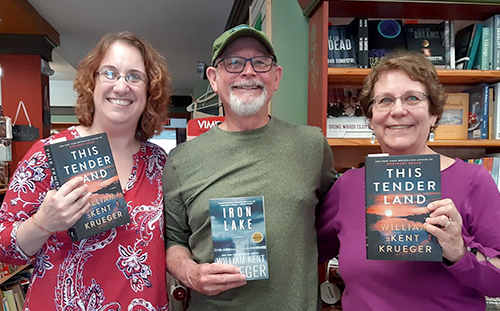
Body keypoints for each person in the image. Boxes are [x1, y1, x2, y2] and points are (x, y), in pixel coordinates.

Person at [164, 24, 336, 311]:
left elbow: (331, 224)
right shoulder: (181, 160)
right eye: (233, 63)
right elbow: (173, 240)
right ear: (213, 78)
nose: (248, 72)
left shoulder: (312, 145)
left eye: (260, 62)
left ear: (276, 77)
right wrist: (191, 273)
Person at [0, 31, 172, 310]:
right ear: (92, 82)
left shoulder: (158, 162)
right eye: (110, 73)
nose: (121, 86)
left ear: (150, 90)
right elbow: (3, 245)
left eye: (134, 76)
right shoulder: (47, 153)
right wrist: (43, 223)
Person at [317, 51, 500, 310]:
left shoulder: (473, 181)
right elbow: (308, 252)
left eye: (412, 98)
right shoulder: (348, 186)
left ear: (434, 113)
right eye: (385, 100)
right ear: (370, 118)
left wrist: (459, 251)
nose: (398, 111)